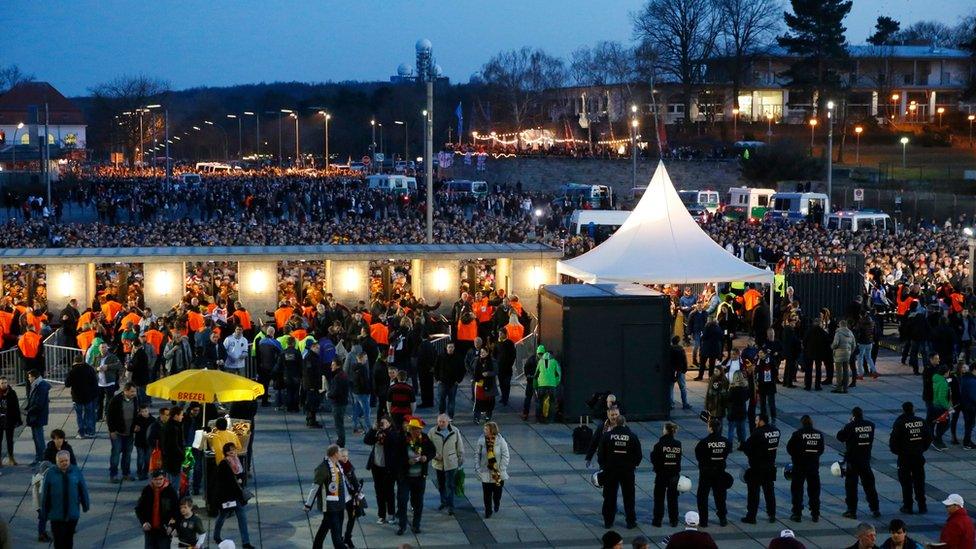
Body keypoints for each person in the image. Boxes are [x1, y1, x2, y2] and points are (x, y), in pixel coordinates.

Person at [597, 415, 642, 529]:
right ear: (624, 423)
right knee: (629, 497)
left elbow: (601, 454)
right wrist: (633, 465)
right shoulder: (632, 436)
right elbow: (638, 455)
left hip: (611, 470)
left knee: (610, 497)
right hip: (627, 471)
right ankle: (631, 522)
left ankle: (608, 521)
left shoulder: (607, 436)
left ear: (615, 423)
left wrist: (604, 466)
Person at [304, 444, 351, 549]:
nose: (341, 454)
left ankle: (316, 547)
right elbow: (315, 487)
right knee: (337, 535)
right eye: (339, 452)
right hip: (330, 506)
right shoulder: (323, 468)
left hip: (340, 504)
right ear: (335, 454)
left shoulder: (338, 465)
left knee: (325, 527)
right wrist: (308, 505)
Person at [837, 406, 880, 519]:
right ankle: (875, 508)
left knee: (851, 487)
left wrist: (847, 425)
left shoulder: (850, 426)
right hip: (865, 459)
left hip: (853, 461)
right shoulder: (870, 425)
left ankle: (852, 510)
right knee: (870, 486)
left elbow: (840, 437)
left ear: (853, 416)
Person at [42, 450, 90, 549]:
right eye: (61, 461)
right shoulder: (50, 473)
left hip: (72, 513)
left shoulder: (76, 471)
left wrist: (86, 505)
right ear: (57, 462)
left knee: (68, 539)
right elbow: (45, 494)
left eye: (66, 461)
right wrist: (44, 512)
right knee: (58, 540)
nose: (64, 463)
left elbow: (83, 489)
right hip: (56, 514)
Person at [888, 401, 930, 515]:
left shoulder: (900, 423)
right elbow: (928, 438)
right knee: (919, 481)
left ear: (903, 410)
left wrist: (899, 452)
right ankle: (922, 505)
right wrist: (921, 449)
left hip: (904, 458)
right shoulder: (921, 421)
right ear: (913, 409)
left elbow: (893, 441)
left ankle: (908, 506)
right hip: (918, 456)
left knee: (906, 483)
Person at [395, 417, 435, 535]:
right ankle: (402, 525)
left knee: (418, 502)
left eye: (418, 430)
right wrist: (407, 462)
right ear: (410, 430)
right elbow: (396, 457)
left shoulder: (425, 439)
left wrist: (426, 457)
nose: (417, 432)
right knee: (402, 500)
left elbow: (432, 451)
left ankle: (416, 525)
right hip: (405, 477)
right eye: (414, 430)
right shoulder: (402, 440)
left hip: (419, 477)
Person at [213, 443, 253, 548]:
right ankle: (216, 535)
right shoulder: (223, 464)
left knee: (242, 518)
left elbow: (242, 476)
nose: (233, 453)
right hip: (227, 497)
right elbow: (222, 482)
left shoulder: (238, 462)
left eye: (234, 450)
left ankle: (246, 542)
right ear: (226, 453)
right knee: (222, 516)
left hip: (237, 496)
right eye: (230, 451)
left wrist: (240, 480)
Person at [742, 413, 780, 524]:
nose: (755, 422)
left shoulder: (757, 433)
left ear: (762, 421)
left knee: (754, 493)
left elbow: (747, 448)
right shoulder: (776, 431)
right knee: (769, 492)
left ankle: (751, 516)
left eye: (757, 420)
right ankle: (772, 514)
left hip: (757, 467)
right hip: (770, 466)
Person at [787, 414, 824, 523]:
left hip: (799, 465)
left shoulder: (798, 434)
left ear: (802, 423)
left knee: (797, 490)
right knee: (814, 490)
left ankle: (797, 513)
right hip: (813, 466)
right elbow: (821, 450)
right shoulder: (818, 434)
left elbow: (789, 448)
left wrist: (797, 456)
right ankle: (815, 513)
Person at [694, 418, 730, 527]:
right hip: (720, 472)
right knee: (720, 496)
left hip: (706, 473)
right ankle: (723, 518)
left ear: (710, 428)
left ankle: (704, 521)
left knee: (702, 497)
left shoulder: (704, 442)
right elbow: (726, 453)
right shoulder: (725, 441)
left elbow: (699, 456)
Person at [429, 413, 464, 516]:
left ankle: (450, 505)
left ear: (448, 422)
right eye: (439, 421)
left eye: (443, 421)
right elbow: (428, 447)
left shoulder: (455, 431)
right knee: (441, 484)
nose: (441, 423)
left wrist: (460, 459)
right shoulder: (432, 432)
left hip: (451, 462)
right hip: (438, 463)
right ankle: (443, 501)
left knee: (450, 485)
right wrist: (435, 455)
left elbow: (459, 446)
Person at [135, 470, 180, 549]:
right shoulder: (147, 490)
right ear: (152, 479)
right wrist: (144, 522)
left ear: (164, 479)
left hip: (164, 530)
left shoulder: (170, 491)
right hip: (150, 530)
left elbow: (176, 511)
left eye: (160, 479)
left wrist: (172, 526)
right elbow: (139, 509)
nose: (158, 481)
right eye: (156, 479)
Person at [364, 416, 396, 524]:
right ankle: (381, 515)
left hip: (388, 468)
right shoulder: (376, 433)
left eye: (384, 423)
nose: (381, 425)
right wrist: (373, 429)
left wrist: (385, 430)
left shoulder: (392, 433)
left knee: (389, 491)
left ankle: (391, 513)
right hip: (376, 466)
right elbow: (367, 440)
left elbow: (392, 441)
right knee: (379, 491)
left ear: (389, 424)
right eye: (380, 423)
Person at [475, 421, 510, 519]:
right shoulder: (481, 440)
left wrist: (501, 468)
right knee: (486, 493)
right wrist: (477, 467)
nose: (484, 430)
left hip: (497, 472)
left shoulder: (501, 441)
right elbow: (477, 454)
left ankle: (497, 502)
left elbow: (506, 455)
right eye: (484, 429)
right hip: (485, 471)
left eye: (486, 429)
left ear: (492, 430)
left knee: (497, 492)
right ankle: (488, 510)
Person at [650, 422, 682, 528]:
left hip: (661, 474)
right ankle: (674, 520)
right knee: (673, 499)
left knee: (659, 498)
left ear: (665, 430)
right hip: (674, 474)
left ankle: (657, 520)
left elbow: (654, 459)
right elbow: (678, 459)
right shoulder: (678, 444)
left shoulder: (659, 445)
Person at [106, 383, 138, 482]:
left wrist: (136, 425)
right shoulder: (116, 400)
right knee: (116, 453)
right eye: (132, 391)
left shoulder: (135, 399)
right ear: (125, 391)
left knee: (127, 454)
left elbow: (136, 412)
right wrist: (112, 430)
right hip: (117, 432)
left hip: (129, 433)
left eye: (135, 391)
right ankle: (113, 475)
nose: (134, 393)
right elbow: (109, 416)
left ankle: (126, 474)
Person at [64, 358, 97, 439]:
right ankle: (90, 432)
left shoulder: (72, 371)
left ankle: (81, 433)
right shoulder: (89, 369)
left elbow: (67, 384)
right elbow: (95, 382)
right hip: (88, 396)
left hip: (77, 397)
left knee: (79, 416)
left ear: (74, 362)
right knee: (89, 414)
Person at [25, 369, 51, 465]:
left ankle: (42, 458)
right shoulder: (38, 385)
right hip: (36, 416)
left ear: (34, 377)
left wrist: (28, 411)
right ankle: (39, 457)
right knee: (36, 438)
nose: (28, 379)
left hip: (37, 416)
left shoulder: (40, 386)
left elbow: (38, 404)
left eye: (29, 377)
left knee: (39, 439)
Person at [434, 342, 465, 419]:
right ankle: (442, 415)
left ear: (454, 348)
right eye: (449, 347)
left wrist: (459, 380)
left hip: (453, 383)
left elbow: (462, 369)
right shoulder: (441, 356)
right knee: (442, 399)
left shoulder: (458, 357)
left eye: (452, 347)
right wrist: (437, 379)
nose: (450, 349)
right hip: (442, 382)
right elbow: (436, 368)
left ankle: (450, 416)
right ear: (446, 348)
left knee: (451, 400)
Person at [303, 339, 325, 428]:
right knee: (312, 403)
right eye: (317, 348)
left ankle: (311, 419)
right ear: (312, 347)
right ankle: (311, 421)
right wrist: (311, 385)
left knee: (313, 403)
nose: (318, 349)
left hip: (313, 384)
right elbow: (308, 373)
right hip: (312, 385)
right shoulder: (310, 357)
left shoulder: (313, 356)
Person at [327, 359, 350, 447]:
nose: (331, 366)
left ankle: (340, 442)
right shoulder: (343, 375)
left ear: (338, 365)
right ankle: (340, 440)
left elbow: (336, 392)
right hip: (343, 402)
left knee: (339, 424)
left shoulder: (338, 377)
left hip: (338, 403)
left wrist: (329, 394)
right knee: (340, 423)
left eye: (333, 364)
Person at [534, 349, 561, 423]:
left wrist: (536, 385)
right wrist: (556, 383)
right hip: (552, 385)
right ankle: (550, 419)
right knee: (552, 402)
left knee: (539, 401)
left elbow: (536, 374)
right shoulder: (555, 362)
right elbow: (559, 374)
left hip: (541, 385)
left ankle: (539, 419)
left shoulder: (540, 362)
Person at [349, 351, 372, 434]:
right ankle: (369, 428)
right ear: (362, 358)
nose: (366, 359)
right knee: (366, 411)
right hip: (363, 392)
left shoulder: (354, 367)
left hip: (355, 391)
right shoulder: (363, 368)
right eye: (365, 357)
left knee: (356, 410)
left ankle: (355, 427)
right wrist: (369, 390)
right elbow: (364, 382)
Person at [472, 347, 497, 424]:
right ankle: (476, 418)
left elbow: (496, 371)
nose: (482, 354)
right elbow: (473, 369)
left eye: (483, 352)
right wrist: (474, 378)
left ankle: (488, 416)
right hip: (479, 384)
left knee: (489, 401)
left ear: (487, 353)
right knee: (478, 402)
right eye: (481, 352)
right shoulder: (477, 360)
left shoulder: (492, 361)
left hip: (489, 384)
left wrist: (488, 374)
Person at [0, 375, 21, 466]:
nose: (4, 384)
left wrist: (18, 420)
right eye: (2, 383)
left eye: (5, 382)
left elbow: (16, 407)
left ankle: (11, 458)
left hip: (9, 420)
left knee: (9, 440)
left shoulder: (12, 393)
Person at [831, 320, 856, 393]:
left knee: (839, 372)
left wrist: (832, 347)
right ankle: (845, 388)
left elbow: (835, 343)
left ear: (840, 325)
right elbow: (854, 344)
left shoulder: (838, 333)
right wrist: (850, 352)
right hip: (847, 354)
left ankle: (839, 387)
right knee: (846, 371)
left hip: (838, 354)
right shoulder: (850, 333)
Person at [32, 461, 53, 542]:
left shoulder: (37, 477)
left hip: (37, 504)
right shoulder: (43, 480)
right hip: (42, 504)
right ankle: (42, 535)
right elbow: (43, 493)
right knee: (43, 519)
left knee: (42, 519)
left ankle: (42, 533)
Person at [494, 330, 516, 406]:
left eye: (501, 334)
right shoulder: (497, 343)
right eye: (499, 333)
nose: (499, 335)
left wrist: (510, 364)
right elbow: (495, 354)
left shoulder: (510, 343)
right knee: (501, 384)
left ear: (505, 334)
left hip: (507, 368)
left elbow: (513, 355)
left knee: (507, 384)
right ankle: (503, 397)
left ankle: (506, 399)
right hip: (500, 368)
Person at [669, 336, 691, 410]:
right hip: (680, 370)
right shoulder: (681, 349)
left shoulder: (670, 349)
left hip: (671, 370)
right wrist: (685, 369)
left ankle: (671, 404)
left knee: (670, 388)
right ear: (679, 341)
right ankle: (685, 403)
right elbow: (684, 361)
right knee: (682, 387)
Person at [133, 404, 154, 480]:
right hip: (139, 442)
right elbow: (133, 428)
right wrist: (134, 429)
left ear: (148, 411)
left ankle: (145, 471)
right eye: (142, 411)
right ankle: (139, 472)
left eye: (146, 411)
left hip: (148, 443)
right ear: (140, 412)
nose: (144, 413)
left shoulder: (152, 420)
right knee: (140, 458)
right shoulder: (137, 419)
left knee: (147, 459)